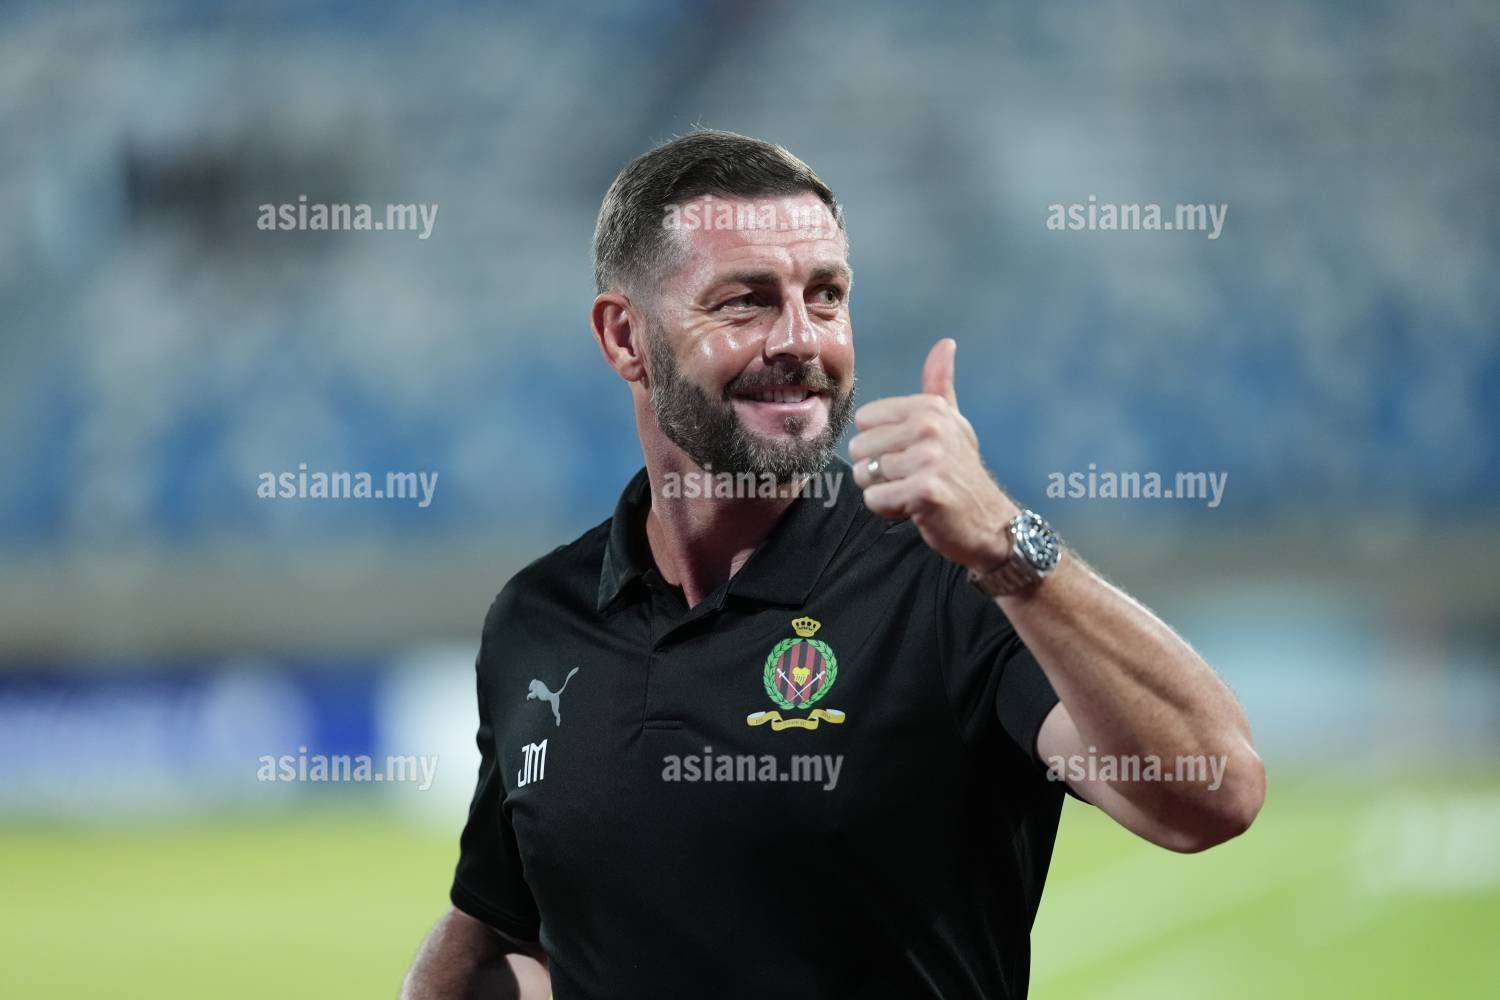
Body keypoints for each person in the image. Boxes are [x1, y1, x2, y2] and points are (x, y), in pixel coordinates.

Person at [401, 129, 1265, 1000]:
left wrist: (1009, 546)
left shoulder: (953, 583)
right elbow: (506, 936)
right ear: (625, 336)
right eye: (745, 302)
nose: (801, 340)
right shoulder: (538, 618)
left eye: (826, 295)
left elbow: (1214, 796)